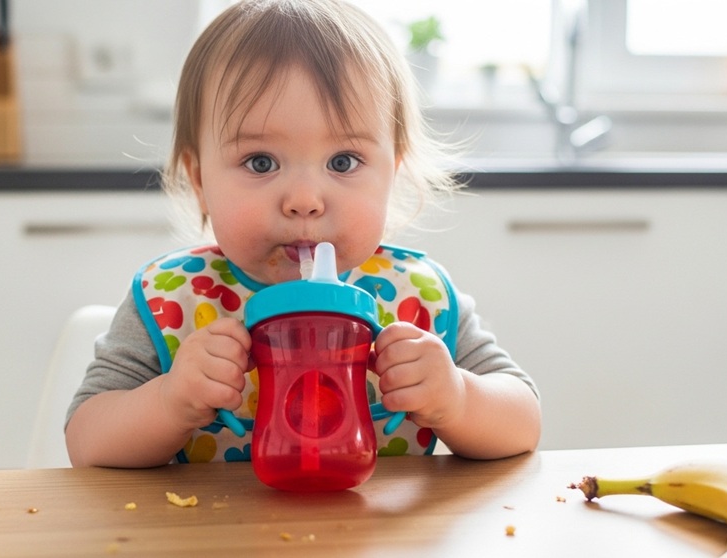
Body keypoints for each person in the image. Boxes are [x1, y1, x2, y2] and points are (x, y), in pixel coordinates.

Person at [65, 0, 541, 469]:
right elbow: (87, 441)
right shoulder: (174, 301)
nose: (305, 199)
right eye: (260, 162)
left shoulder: (419, 299)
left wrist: (457, 398)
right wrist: (169, 402)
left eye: (343, 162)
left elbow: (523, 421)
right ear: (200, 181)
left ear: (390, 175)